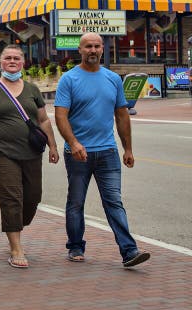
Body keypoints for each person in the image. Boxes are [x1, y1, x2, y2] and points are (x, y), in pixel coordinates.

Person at [54, 33, 150, 268]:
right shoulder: (69, 79)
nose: (93, 50)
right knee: (76, 202)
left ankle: (129, 251)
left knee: (114, 202)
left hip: (108, 151)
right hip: (78, 154)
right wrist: (74, 143)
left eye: (97, 46)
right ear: (80, 49)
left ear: (102, 49)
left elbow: (121, 114)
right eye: (88, 46)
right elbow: (60, 115)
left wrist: (128, 148)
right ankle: (75, 245)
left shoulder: (113, 79)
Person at [0, 44, 59, 268]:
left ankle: (14, 225)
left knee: (32, 198)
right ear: (0, 62)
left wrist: (52, 145)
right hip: (2, 153)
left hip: (31, 152)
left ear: (23, 62)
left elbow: (43, 120)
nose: (12, 62)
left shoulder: (32, 90)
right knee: (12, 199)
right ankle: (16, 248)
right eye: (7, 58)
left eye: (16, 58)